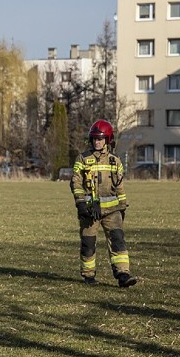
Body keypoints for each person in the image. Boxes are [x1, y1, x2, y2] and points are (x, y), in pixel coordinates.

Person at [70, 119, 138, 288]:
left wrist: (122, 207)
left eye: (100, 139)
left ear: (108, 140)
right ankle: (88, 276)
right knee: (88, 243)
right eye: (94, 139)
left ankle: (123, 274)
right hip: (89, 211)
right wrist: (81, 204)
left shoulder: (116, 161)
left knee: (118, 241)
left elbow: (120, 186)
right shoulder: (82, 159)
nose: (97, 142)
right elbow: (75, 182)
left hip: (112, 210)